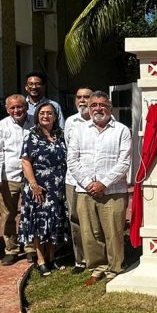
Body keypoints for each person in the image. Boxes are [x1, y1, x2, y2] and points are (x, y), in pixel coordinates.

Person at [67, 92, 132, 286]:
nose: (97, 108)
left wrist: (103, 183)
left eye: (102, 105)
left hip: (113, 191)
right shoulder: (79, 130)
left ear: (109, 108)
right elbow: (72, 159)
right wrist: (88, 184)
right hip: (85, 190)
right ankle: (97, 268)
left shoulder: (121, 130)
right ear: (88, 108)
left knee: (113, 232)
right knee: (90, 233)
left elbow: (124, 162)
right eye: (93, 105)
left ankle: (114, 268)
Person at [20, 102, 70, 275]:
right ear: (37, 116)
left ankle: (51, 257)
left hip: (57, 187)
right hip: (38, 188)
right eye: (42, 113)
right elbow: (25, 161)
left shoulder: (60, 135)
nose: (45, 116)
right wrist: (34, 185)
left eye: (49, 113)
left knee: (54, 222)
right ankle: (40, 259)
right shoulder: (32, 135)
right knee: (39, 224)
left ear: (55, 116)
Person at [0, 94, 35, 266]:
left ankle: (31, 247)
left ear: (26, 107)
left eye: (20, 107)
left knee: (30, 213)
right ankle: (11, 249)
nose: (17, 110)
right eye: (13, 108)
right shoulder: (2, 126)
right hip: (9, 177)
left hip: (32, 177)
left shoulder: (35, 122)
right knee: (8, 215)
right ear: (7, 109)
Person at [63, 86, 94, 272]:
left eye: (86, 97)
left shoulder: (102, 120)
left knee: (94, 219)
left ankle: (97, 257)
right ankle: (80, 259)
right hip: (73, 179)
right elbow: (69, 151)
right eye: (79, 97)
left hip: (94, 180)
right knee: (75, 218)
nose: (82, 100)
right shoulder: (70, 121)